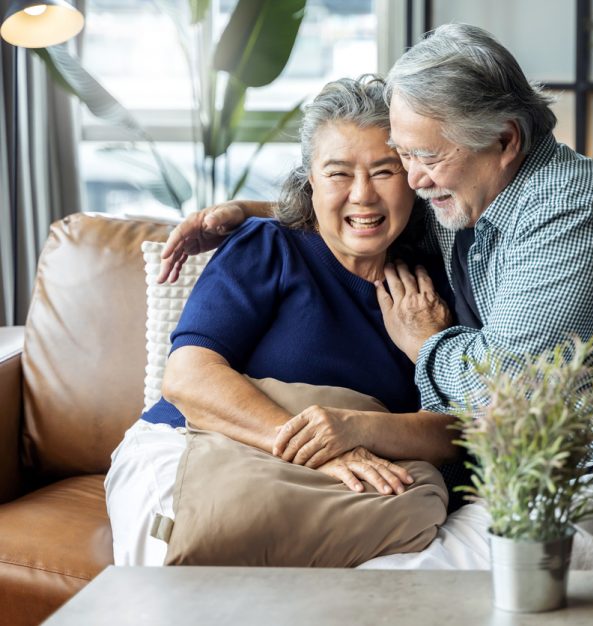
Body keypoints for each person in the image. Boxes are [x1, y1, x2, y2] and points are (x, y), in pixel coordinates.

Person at [158, 25, 593, 617]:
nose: (414, 178)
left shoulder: (573, 210)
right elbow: (361, 203)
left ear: (505, 139)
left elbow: (508, 390)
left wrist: (427, 342)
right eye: (407, 156)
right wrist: (251, 211)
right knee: (374, 585)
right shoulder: (464, 196)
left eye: (424, 157)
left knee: (427, 599)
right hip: (530, 474)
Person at [104, 75, 461, 567]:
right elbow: (188, 377)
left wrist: (412, 368)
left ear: (415, 177)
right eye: (338, 173)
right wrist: (321, 448)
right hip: (204, 444)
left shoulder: (432, 291)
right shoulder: (270, 246)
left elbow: (457, 431)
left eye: (385, 171)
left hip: (350, 477)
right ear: (309, 179)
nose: (363, 196)